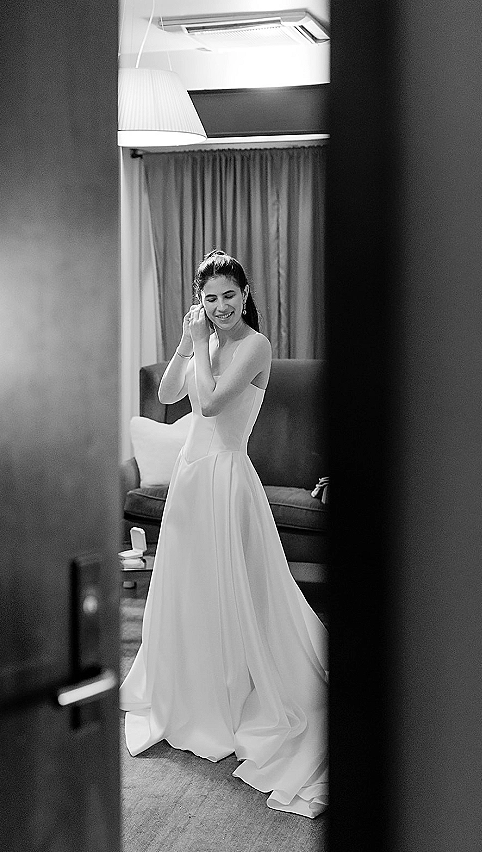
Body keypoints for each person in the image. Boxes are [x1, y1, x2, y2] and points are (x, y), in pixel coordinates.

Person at [120, 250, 328, 818]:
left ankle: (234, 694)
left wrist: (202, 351)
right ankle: (190, 689)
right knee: (187, 587)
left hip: (226, 477)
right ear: (199, 301)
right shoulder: (203, 339)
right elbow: (167, 397)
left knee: (233, 591)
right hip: (190, 479)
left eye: (228, 296)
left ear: (245, 293)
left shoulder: (254, 345)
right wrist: (188, 344)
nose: (219, 307)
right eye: (209, 299)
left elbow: (208, 405)